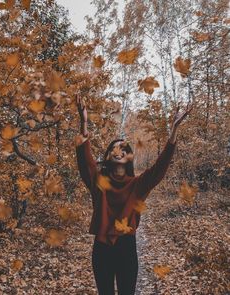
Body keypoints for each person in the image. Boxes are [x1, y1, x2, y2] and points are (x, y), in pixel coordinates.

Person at [75, 94, 193, 295]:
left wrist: (174, 130)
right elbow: (86, 162)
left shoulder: (138, 184)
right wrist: (83, 122)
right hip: (102, 249)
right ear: (109, 155)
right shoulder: (99, 181)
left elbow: (160, 167)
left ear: (129, 156)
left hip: (126, 248)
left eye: (124, 148)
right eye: (114, 148)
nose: (118, 150)